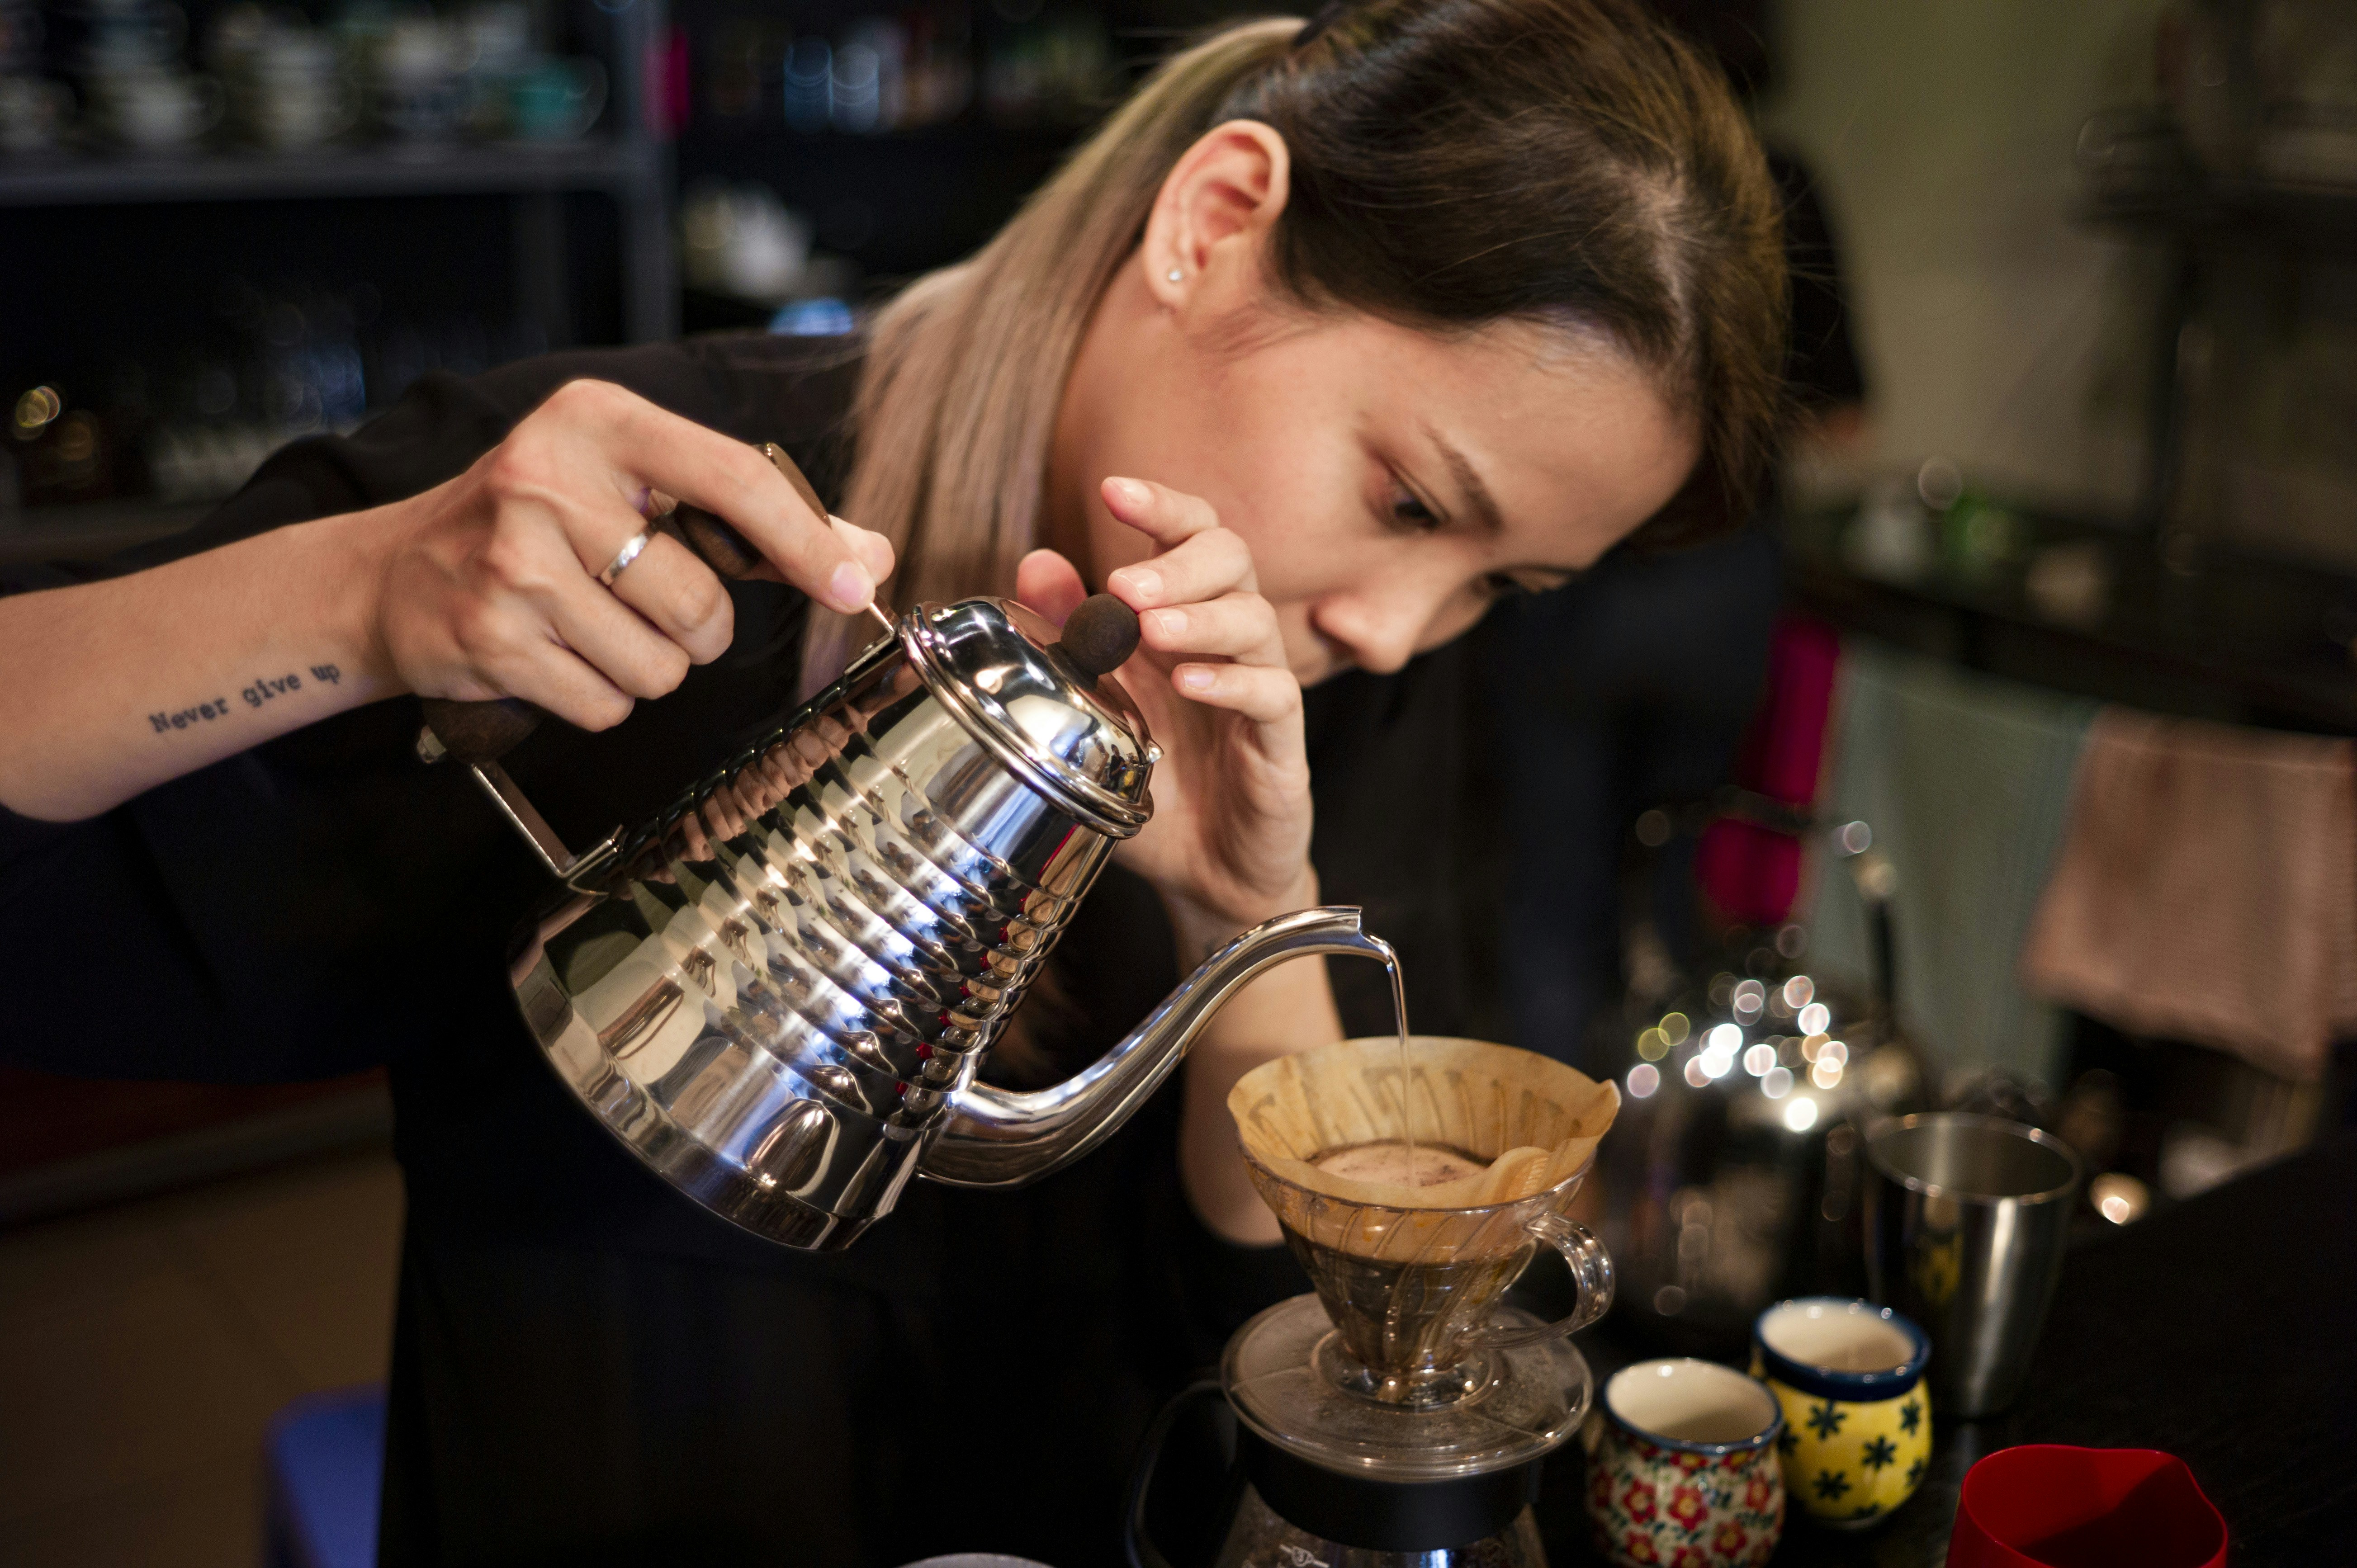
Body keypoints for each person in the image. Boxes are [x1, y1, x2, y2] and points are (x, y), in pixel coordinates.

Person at [0, 0, 1785, 1562]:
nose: (1402, 628)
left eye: (1500, 588)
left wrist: (1255, 918)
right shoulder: (633, 523)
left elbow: (1321, 1352)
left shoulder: (1336, 692)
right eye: (1409, 501)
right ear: (1214, 219)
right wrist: (355, 597)